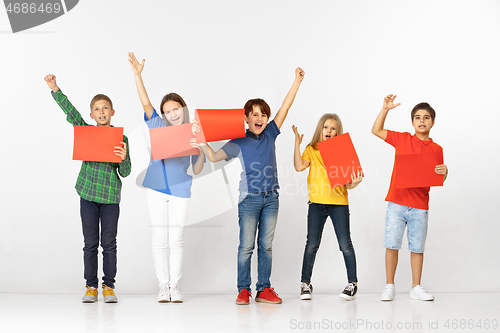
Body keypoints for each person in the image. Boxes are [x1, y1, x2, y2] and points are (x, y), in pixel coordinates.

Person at [193, 67, 305, 305]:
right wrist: (201, 142)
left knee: (266, 245)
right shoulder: (238, 140)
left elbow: (285, 106)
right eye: (254, 114)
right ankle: (243, 289)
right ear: (246, 118)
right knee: (246, 246)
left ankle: (263, 288)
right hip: (249, 198)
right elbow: (213, 157)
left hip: (271, 197)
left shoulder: (271, 134)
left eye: (263, 115)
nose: (259, 118)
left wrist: (296, 81)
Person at [44, 74, 131, 303]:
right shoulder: (87, 131)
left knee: (109, 244)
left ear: (112, 112)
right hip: (88, 196)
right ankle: (91, 286)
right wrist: (55, 89)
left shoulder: (120, 137)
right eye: (96, 109)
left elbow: (126, 172)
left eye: (105, 108)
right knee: (90, 244)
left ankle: (108, 287)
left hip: (111, 198)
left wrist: (123, 159)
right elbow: (71, 114)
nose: (101, 112)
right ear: (92, 114)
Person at [128, 52, 205, 303]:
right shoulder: (158, 126)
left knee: (177, 239)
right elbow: (145, 103)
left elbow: (197, 169)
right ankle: (164, 287)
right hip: (157, 190)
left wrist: (202, 146)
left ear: (183, 110)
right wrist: (138, 75)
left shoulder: (192, 132)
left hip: (182, 191)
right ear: (163, 114)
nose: (172, 114)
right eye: (167, 111)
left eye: (176, 109)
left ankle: (175, 286)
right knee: (160, 239)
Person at [371, 94, 448, 301]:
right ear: (412, 122)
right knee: (392, 244)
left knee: (417, 247)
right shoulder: (403, 139)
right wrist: (385, 109)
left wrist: (445, 171)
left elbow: (438, 176)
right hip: (397, 202)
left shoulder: (436, 149)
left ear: (433, 122)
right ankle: (389, 285)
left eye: (426, 117)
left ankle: (416, 286)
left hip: (420, 206)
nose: (421, 120)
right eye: (417, 117)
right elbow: (376, 130)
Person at [292, 114, 363, 301]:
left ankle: (352, 284)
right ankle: (305, 283)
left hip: (339, 204)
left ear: (337, 131)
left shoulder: (342, 151)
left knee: (345, 244)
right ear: (320, 130)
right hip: (316, 204)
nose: (329, 131)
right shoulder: (312, 149)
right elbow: (299, 167)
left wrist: (355, 181)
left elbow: (349, 184)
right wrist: (297, 144)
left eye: (333, 128)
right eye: (326, 127)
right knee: (312, 244)